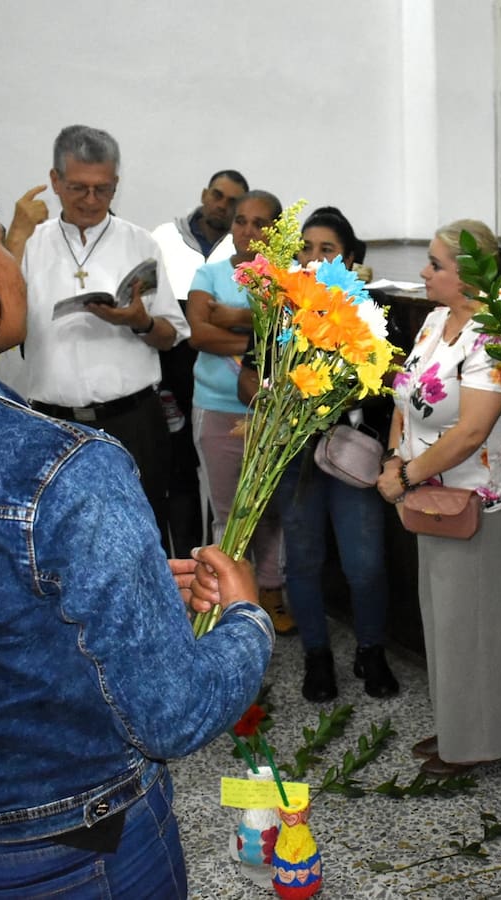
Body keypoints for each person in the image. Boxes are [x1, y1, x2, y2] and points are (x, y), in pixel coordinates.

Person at [0, 146, 274, 896]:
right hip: (72, 842)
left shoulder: (142, 245)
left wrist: (124, 599)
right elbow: (169, 714)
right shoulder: (65, 471)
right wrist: (246, 618)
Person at [376, 219, 501, 778]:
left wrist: (407, 475)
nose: (424, 272)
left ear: (468, 278)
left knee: (479, 627)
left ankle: (482, 743)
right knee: (445, 622)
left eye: (436, 265)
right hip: (430, 497)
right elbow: (404, 393)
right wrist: (395, 458)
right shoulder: (437, 320)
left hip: (475, 502)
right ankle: (460, 729)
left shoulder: (496, 334)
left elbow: (471, 432)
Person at [239, 206, 400, 701]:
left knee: (365, 563)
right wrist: (275, 394)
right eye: (305, 249)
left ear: (348, 258)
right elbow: (248, 375)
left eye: (326, 249)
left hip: (351, 457)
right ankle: (317, 657)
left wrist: (341, 390)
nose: (313, 258)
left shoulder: (369, 314)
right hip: (296, 454)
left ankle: (371, 650)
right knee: (302, 562)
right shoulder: (281, 310)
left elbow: (391, 382)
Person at [8, 124, 190, 548]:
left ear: (116, 184)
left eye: (103, 189)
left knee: (142, 535)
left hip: (133, 420)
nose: (91, 200)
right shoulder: (29, 243)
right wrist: (15, 236)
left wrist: (138, 320)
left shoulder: (140, 243)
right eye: (77, 188)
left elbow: (172, 335)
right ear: (54, 181)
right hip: (52, 420)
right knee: (62, 541)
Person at [188, 189, 293, 634]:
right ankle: (225, 597)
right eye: (240, 221)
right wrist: (258, 335)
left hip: (269, 410)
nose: (247, 231)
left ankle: (270, 588)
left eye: (259, 223)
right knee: (228, 510)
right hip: (216, 406)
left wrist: (231, 317)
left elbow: (289, 330)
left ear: (275, 232)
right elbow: (198, 334)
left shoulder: (286, 280)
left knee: (268, 507)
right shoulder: (209, 273)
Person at [152, 170, 249, 554]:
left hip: (233, 384)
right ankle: (189, 561)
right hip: (173, 375)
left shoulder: (244, 250)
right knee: (181, 476)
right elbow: (190, 327)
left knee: (231, 492)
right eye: (217, 195)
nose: (222, 206)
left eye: (232, 202)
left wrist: (231, 322)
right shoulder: (163, 238)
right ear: (204, 194)